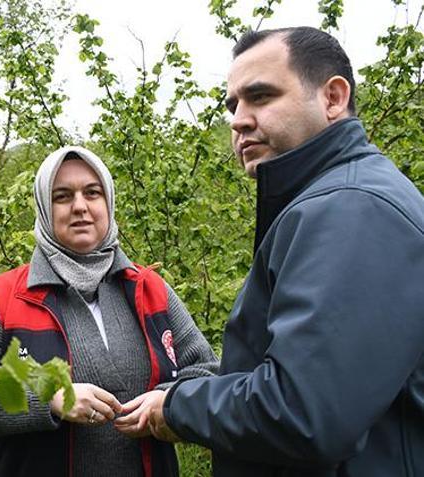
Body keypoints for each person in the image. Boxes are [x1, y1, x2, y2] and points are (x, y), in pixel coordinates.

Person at [125, 27, 424, 476]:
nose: (238, 119)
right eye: (232, 105)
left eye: (260, 97)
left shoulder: (351, 207)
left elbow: (304, 411)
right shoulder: (328, 203)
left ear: (333, 98)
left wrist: (178, 407)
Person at [0, 145, 218, 477]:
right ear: (45, 210)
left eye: (92, 193)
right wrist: (48, 398)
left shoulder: (151, 290)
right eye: (62, 196)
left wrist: (169, 402)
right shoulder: (2, 298)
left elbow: (207, 372)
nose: (80, 206)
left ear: (108, 202)